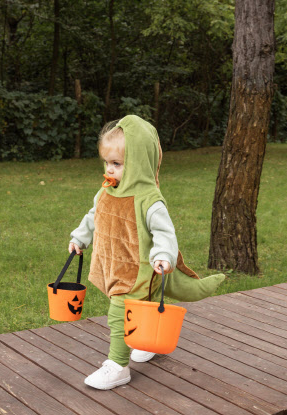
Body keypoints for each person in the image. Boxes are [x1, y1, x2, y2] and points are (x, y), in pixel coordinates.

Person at [69, 115, 226, 390]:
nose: (109, 169)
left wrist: (163, 255)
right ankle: (145, 341)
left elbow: (164, 232)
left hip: (139, 270)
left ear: (138, 163)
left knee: (119, 314)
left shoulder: (149, 200)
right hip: (112, 265)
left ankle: (117, 366)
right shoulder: (106, 192)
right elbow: (94, 216)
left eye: (117, 164)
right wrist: (80, 238)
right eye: (107, 163)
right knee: (143, 306)